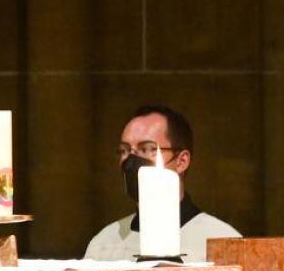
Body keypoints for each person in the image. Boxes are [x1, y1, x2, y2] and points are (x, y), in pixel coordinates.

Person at [85, 105, 242, 262]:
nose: (130, 160)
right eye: (124, 150)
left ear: (181, 161)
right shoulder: (103, 244)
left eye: (147, 148)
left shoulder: (223, 241)